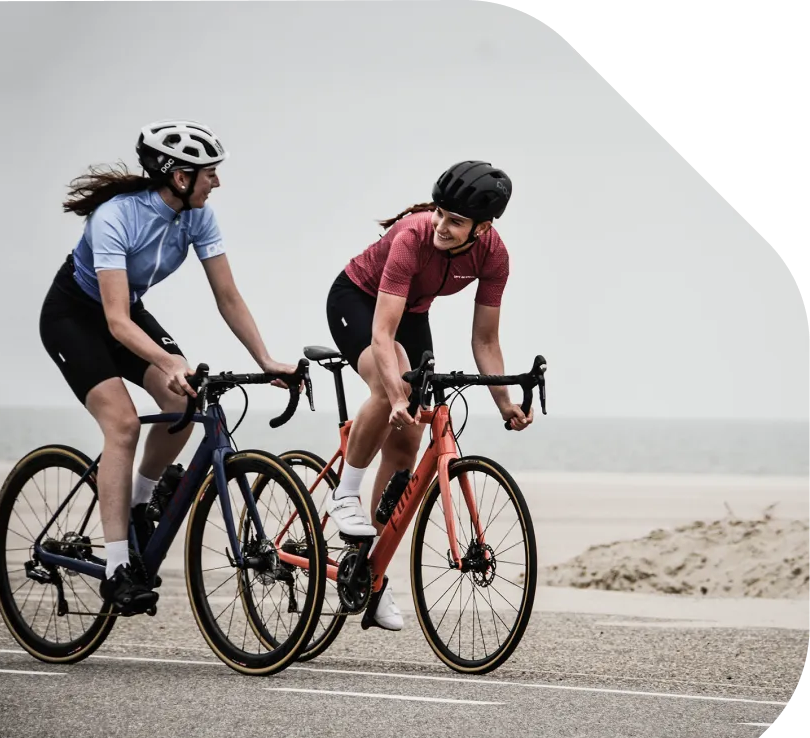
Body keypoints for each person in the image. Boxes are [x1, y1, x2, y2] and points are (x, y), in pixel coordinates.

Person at [39, 120, 298, 615]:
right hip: (75, 317)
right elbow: (115, 321)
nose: (216, 182)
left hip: (125, 313)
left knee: (184, 399)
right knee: (123, 425)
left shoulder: (198, 217)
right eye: (209, 174)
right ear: (180, 177)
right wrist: (166, 357)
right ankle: (117, 569)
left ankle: (139, 503)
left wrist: (265, 360)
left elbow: (228, 296)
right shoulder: (115, 217)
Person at [323, 160, 533, 630]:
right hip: (358, 300)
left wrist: (504, 402)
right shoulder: (412, 236)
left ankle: (369, 573)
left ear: (484, 228)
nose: (441, 225)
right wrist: (396, 393)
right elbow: (382, 334)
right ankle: (346, 493)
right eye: (439, 212)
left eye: (455, 221)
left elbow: (486, 341)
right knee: (388, 383)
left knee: (409, 439)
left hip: (412, 312)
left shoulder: (494, 256)